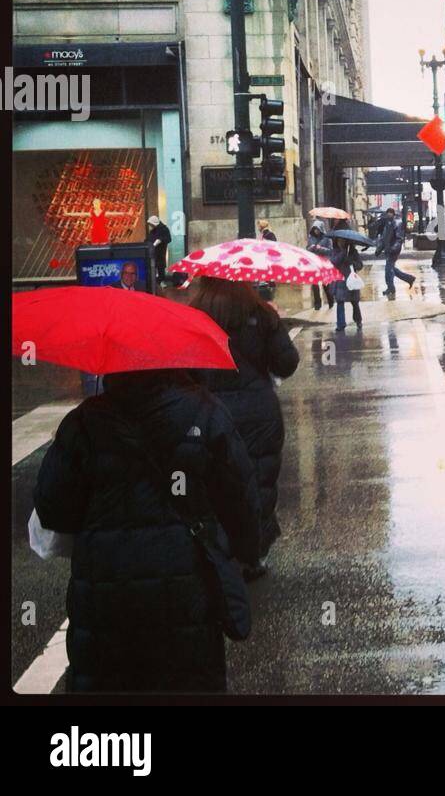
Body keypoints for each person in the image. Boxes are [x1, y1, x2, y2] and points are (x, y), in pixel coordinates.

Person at [32, 368, 260, 692]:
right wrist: (246, 551)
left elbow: (53, 510)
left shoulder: (83, 423)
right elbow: (240, 499)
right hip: (187, 588)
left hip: (104, 595)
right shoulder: (204, 411)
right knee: (188, 680)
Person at [190, 277, 300, 579]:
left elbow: (183, 370)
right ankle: (255, 553)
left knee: (215, 480)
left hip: (209, 411)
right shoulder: (262, 314)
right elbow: (287, 364)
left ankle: (220, 549)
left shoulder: (194, 316)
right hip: (258, 413)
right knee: (258, 479)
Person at [376, 207, 416, 298]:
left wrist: (393, 248)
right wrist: (379, 249)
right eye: (388, 213)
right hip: (388, 250)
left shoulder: (397, 224)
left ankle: (391, 288)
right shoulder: (387, 225)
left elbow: (399, 239)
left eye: (391, 213)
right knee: (392, 269)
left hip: (393, 251)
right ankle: (409, 278)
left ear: (393, 215)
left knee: (388, 270)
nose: (389, 215)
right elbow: (383, 239)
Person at [329, 236, 363, 332]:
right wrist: (342, 254)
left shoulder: (353, 252)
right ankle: (341, 324)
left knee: (354, 302)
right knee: (340, 302)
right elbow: (333, 262)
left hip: (351, 280)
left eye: (343, 241)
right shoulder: (335, 251)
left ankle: (358, 320)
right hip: (340, 280)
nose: (341, 242)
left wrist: (351, 262)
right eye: (339, 240)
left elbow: (360, 265)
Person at [307, 221, 334, 312]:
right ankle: (317, 304)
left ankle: (331, 301)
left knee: (325, 284)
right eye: (314, 229)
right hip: (314, 263)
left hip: (323, 263)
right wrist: (310, 248)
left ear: (321, 229)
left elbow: (330, 251)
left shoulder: (327, 238)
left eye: (317, 229)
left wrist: (320, 248)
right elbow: (307, 249)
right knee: (314, 284)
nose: (316, 231)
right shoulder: (311, 238)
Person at [147, 215, 172, 285]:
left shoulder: (164, 229)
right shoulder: (153, 230)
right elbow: (150, 239)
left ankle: (161, 281)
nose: (150, 226)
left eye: (151, 224)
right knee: (153, 266)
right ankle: (155, 281)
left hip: (160, 251)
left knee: (160, 266)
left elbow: (168, 239)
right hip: (153, 251)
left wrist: (160, 240)